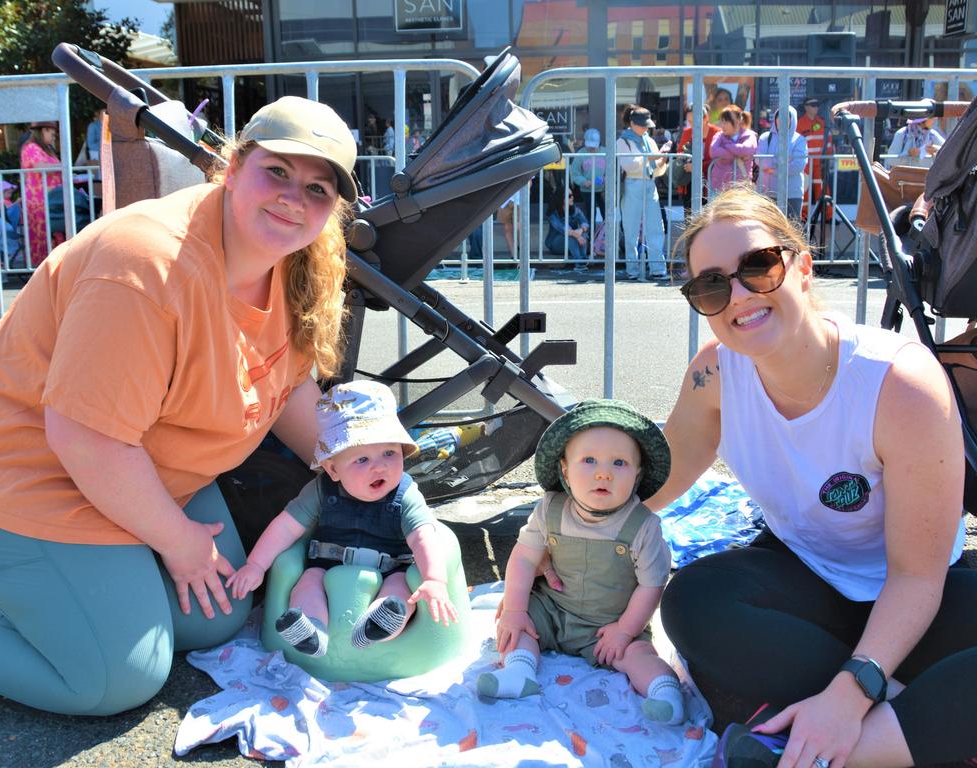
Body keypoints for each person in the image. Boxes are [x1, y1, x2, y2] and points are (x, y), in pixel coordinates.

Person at [0, 95, 359, 716]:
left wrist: (356, 466)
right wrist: (179, 543)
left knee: (214, 622)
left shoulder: (296, 266)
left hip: (144, 470)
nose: (292, 197)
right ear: (232, 165)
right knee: (116, 680)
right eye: (276, 171)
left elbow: (287, 386)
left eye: (317, 189)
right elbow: (86, 439)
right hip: (33, 477)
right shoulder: (144, 265)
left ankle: (42, 589)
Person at [654, 186, 977, 767]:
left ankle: (849, 744)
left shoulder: (899, 383)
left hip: (919, 596)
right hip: (808, 580)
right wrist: (550, 536)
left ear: (802, 268)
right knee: (694, 601)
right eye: (711, 284)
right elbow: (656, 480)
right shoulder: (715, 375)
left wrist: (853, 690)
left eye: (758, 266)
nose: (738, 295)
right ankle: (913, 723)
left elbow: (916, 577)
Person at [479, 400, 685, 724]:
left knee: (638, 654)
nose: (603, 472)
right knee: (517, 625)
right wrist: (517, 610)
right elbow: (523, 557)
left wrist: (624, 630)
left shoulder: (643, 526)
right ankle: (519, 672)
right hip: (553, 610)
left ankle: (665, 693)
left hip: (610, 624)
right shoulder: (550, 508)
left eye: (619, 463)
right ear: (565, 469)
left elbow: (653, 584)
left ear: (637, 474)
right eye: (588, 460)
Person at [227, 380, 458, 655]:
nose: (379, 466)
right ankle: (311, 632)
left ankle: (378, 627)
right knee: (307, 582)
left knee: (401, 589)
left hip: (390, 568)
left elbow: (422, 536)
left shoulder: (405, 494)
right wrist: (256, 564)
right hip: (327, 565)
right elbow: (286, 527)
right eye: (361, 460)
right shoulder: (320, 490)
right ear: (333, 469)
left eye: (389, 452)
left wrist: (434, 579)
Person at [618, 105, 671, 280]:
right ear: (632, 123)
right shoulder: (623, 141)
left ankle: (658, 268)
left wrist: (663, 159)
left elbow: (656, 170)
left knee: (656, 227)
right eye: (643, 125)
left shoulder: (649, 141)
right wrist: (651, 157)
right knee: (631, 228)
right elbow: (629, 165)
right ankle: (631, 268)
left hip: (649, 183)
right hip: (632, 184)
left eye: (647, 125)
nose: (646, 128)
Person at [19, 120, 64, 267]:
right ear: (43, 130)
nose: (54, 137)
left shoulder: (47, 149)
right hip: (39, 201)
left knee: (56, 232)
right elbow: (39, 166)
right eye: (52, 133)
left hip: (52, 199)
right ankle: (42, 268)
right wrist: (64, 165)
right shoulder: (30, 147)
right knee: (42, 235)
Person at [755, 104, 809, 220]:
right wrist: (783, 161)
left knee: (791, 229)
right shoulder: (765, 137)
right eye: (780, 116)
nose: (782, 120)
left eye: (786, 117)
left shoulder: (800, 140)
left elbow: (798, 165)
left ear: (792, 119)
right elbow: (759, 160)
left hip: (791, 193)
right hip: (766, 192)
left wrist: (772, 167)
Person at [676, 106, 721, 213]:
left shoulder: (717, 133)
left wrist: (698, 167)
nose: (692, 125)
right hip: (689, 182)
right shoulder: (687, 132)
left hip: (711, 182)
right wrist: (686, 161)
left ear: (706, 118)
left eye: (694, 121)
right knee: (689, 215)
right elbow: (680, 152)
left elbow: (720, 159)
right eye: (689, 121)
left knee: (709, 216)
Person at [708, 105, 757, 197]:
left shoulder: (749, 135)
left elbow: (746, 149)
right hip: (719, 187)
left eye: (726, 122)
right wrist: (737, 154)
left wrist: (726, 145)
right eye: (721, 122)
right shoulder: (719, 135)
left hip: (741, 188)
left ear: (737, 121)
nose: (722, 126)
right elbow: (713, 151)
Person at [796, 98, 833, 214]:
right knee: (804, 189)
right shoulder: (799, 124)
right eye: (813, 105)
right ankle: (803, 217)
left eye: (817, 105)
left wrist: (828, 157)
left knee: (823, 189)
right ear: (806, 107)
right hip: (805, 163)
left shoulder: (822, 123)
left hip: (820, 163)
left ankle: (828, 216)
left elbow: (829, 141)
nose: (816, 107)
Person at [544, 184, 589, 271]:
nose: (572, 197)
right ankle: (580, 262)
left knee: (583, 233)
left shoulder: (575, 210)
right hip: (556, 243)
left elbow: (585, 223)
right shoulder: (553, 214)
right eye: (569, 196)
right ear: (561, 198)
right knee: (570, 236)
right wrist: (577, 235)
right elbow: (563, 229)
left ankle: (583, 259)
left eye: (572, 195)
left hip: (571, 243)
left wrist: (581, 229)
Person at [569, 127, 606, 224]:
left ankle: (607, 235)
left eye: (594, 145)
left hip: (603, 190)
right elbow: (575, 171)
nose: (592, 148)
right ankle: (591, 236)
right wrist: (583, 181)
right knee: (590, 215)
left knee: (606, 214)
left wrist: (607, 178)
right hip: (587, 190)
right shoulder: (581, 154)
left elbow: (613, 169)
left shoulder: (606, 152)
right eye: (590, 145)